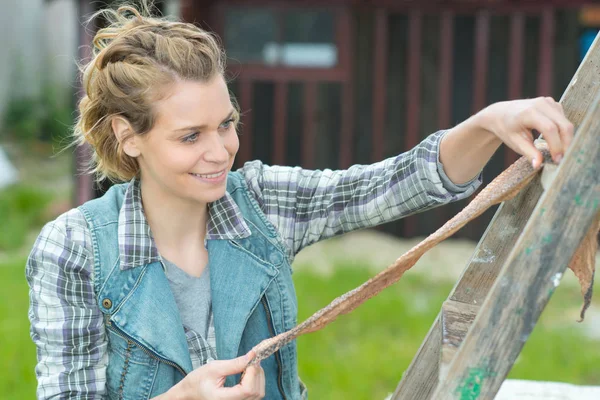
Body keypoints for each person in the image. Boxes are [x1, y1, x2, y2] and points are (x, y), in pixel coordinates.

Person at [26, 2, 574, 399]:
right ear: (127, 136)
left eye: (227, 124)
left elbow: (393, 184)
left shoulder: (260, 203)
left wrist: (488, 121)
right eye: (190, 136)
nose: (220, 152)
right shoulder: (74, 249)